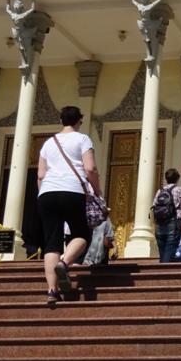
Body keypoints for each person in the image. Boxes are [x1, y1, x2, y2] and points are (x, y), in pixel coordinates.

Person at [36, 105, 102, 308]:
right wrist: (97, 191)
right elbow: (90, 168)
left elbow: (40, 174)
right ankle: (64, 264)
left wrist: (42, 193)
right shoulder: (82, 139)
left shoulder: (48, 142)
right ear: (78, 121)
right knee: (82, 234)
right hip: (72, 191)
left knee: (51, 242)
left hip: (47, 193)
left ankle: (51, 291)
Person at [151, 168, 181, 263]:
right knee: (169, 252)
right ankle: (163, 273)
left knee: (162, 251)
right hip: (173, 224)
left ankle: (161, 272)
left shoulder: (160, 191)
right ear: (177, 179)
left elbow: (154, 206)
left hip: (159, 225)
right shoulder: (180, 190)